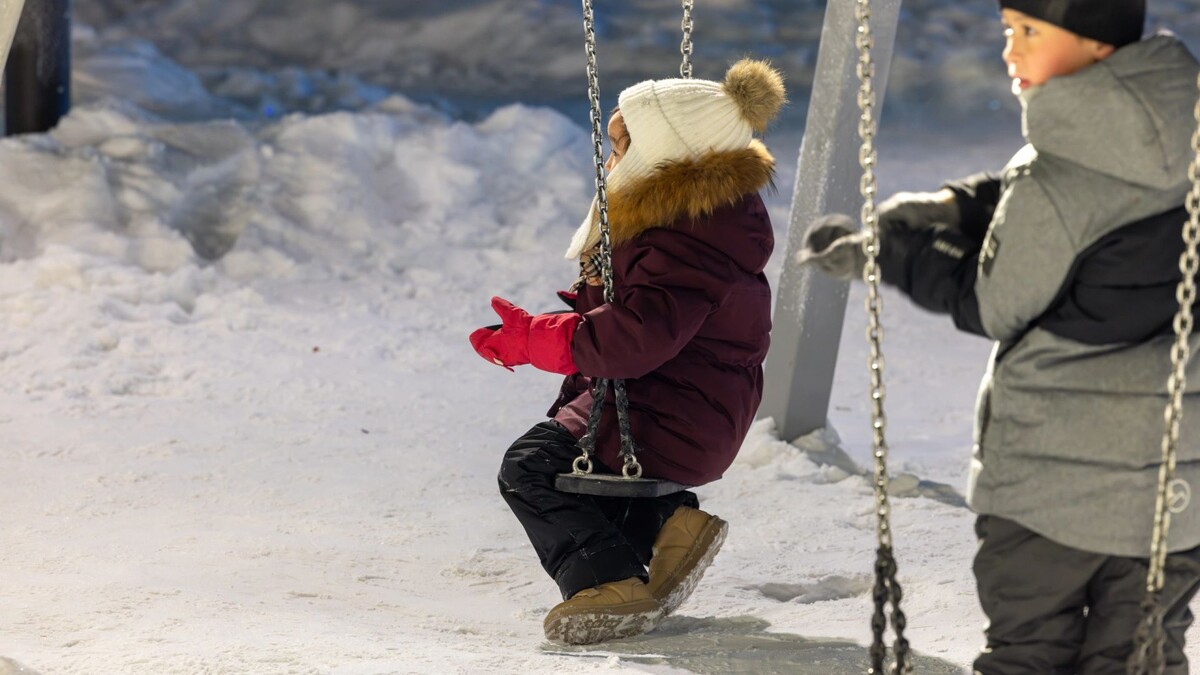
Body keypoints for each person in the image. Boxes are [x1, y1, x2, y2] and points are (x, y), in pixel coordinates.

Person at [799, 1, 1200, 672]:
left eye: (1030, 31)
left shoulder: (1061, 178)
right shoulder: (1176, 130)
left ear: (1098, 45)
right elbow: (1104, 215)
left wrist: (893, 251)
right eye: (1008, 30)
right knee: (1140, 656)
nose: (1010, 50)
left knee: (1031, 653)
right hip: (1173, 485)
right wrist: (960, 204)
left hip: (1051, 486)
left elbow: (993, 298)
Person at [469, 59, 785, 645]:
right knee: (592, 481)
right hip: (684, 407)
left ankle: (607, 581)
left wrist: (544, 338)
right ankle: (667, 525)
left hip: (669, 412)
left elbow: (638, 334)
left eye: (623, 144)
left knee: (532, 467)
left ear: (671, 149)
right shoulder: (697, 222)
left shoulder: (688, 237)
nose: (611, 159)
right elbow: (634, 315)